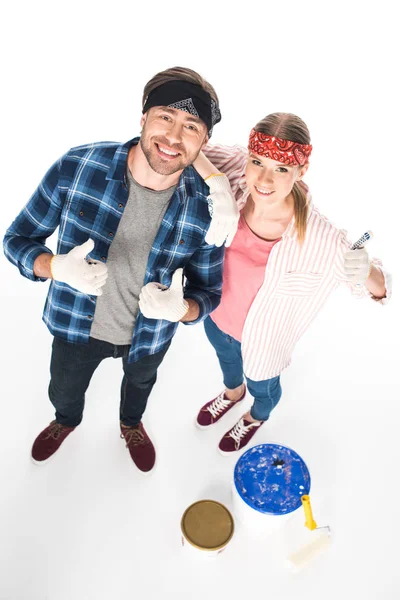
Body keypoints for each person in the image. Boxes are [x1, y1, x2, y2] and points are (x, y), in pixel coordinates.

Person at [3, 66, 239, 473]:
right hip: (75, 327)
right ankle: (66, 420)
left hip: (148, 337)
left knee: (140, 387)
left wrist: (179, 310)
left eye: (191, 127)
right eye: (165, 117)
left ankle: (130, 424)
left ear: (202, 143)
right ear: (143, 117)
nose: (173, 137)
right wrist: (55, 267)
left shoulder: (209, 210)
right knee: (64, 388)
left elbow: (208, 293)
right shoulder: (78, 167)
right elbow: (16, 240)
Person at [193, 112, 392, 454]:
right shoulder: (237, 171)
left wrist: (366, 271)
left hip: (264, 347)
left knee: (264, 387)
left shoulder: (320, 237)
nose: (263, 178)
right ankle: (231, 393)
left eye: (281, 169)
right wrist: (217, 183)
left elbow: (377, 290)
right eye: (258, 162)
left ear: (301, 171)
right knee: (227, 363)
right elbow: (187, 148)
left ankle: (256, 416)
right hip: (215, 317)